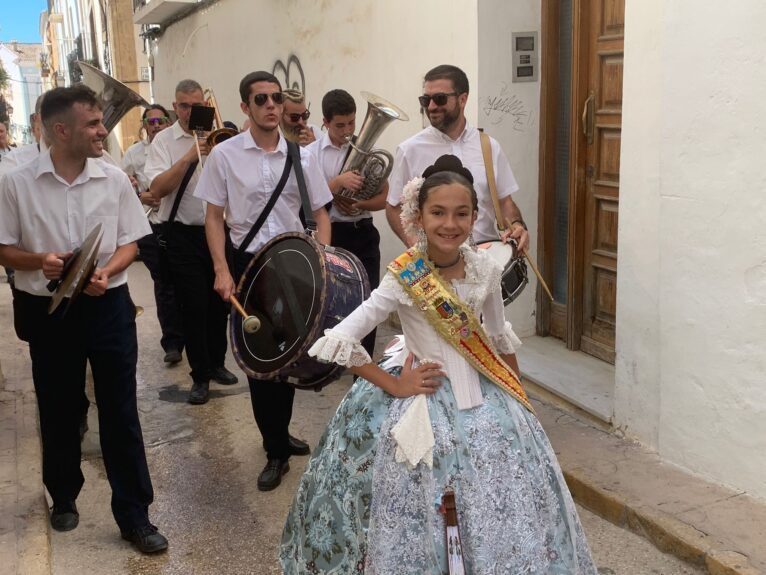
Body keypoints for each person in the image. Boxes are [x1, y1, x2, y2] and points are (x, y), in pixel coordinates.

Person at [280, 155, 596, 574]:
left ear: (474, 216)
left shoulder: (485, 267)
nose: (450, 224)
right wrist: (393, 386)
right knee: (426, 504)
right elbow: (339, 339)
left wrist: (520, 399)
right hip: (423, 398)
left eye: (461, 213)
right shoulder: (403, 276)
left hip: (487, 397)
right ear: (419, 216)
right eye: (438, 213)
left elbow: (498, 338)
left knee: (503, 503)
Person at [0, 85, 168, 553]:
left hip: (107, 306)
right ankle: (64, 496)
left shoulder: (113, 178)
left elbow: (134, 241)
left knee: (121, 411)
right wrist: (39, 262)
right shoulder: (15, 182)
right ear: (61, 130)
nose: (102, 130)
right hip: (48, 310)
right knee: (58, 408)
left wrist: (108, 271)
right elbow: (2, 247)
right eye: (92, 124)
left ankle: (135, 515)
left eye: (100, 121)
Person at [195, 71, 333, 492]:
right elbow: (214, 217)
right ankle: (273, 449)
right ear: (246, 108)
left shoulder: (303, 156)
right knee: (259, 361)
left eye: (275, 98)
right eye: (261, 99)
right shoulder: (225, 155)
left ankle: (281, 431)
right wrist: (221, 269)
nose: (271, 105)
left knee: (288, 355)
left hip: (294, 265)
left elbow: (322, 214)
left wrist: (322, 262)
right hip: (249, 265)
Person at [145, 79, 238, 405]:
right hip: (182, 234)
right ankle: (199, 375)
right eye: (183, 106)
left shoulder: (223, 139)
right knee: (193, 306)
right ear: (175, 106)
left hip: (219, 231)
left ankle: (216, 364)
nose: (189, 112)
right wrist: (188, 156)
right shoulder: (163, 142)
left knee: (220, 305)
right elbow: (156, 189)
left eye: (196, 106)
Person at [386, 64, 529, 253]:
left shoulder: (489, 146)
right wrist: (415, 245)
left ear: (463, 99)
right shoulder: (409, 149)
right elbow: (393, 207)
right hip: (434, 261)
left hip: (484, 256)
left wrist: (517, 225)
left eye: (439, 99)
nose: (431, 107)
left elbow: (505, 202)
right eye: (425, 100)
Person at [306, 89, 387, 356]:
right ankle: (329, 356)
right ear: (325, 122)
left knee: (369, 300)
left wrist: (360, 204)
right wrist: (337, 184)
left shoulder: (365, 150)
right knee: (331, 301)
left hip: (361, 231)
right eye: (340, 125)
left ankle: (361, 365)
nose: (347, 130)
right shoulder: (311, 154)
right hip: (332, 233)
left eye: (351, 122)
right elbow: (306, 199)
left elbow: (384, 197)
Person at [122, 104, 185, 365]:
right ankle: (172, 342)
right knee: (164, 284)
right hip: (150, 225)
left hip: (178, 223)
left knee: (185, 284)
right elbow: (121, 189)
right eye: (151, 121)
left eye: (160, 120)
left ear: (168, 121)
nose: (156, 124)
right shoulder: (134, 154)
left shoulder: (179, 146)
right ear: (144, 124)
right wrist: (140, 196)